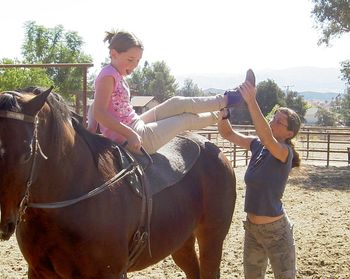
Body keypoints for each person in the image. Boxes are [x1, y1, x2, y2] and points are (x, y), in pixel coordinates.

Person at [88, 29, 253, 154]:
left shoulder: (116, 74)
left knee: (177, 102)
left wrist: (90, 129)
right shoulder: (107, 75)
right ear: (113, 54)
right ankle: (221, 113)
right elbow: (100, 112)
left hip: (136, 123)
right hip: (135, 137)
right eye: (130, 60)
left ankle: (229, 99)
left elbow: (96, 104)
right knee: (183, 120)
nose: (134, 65)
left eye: (137, 61)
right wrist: (129, 134)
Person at [218, 73, 301, 279]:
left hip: (277, 232)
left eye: (278, 122)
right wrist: (223, 113)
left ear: (289, 133)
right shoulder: (258, 146)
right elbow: (228, 134)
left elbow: (266, 135)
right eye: (273, 117)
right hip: (252, 230)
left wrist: (251, 100)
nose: (273, 122)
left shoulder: (284, 152)